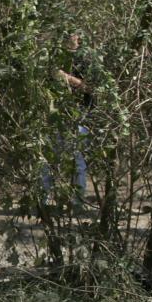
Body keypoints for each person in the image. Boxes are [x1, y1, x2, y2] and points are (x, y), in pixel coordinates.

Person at [44, 31, 94, 197]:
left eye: (71, 34)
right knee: (47, 158)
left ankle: (77, 202)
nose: (67, 36)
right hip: (57, 114)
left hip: (80, 114)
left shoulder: (86, 58)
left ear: (78, 37)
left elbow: (90, 88)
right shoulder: (54, 57)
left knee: (78, 160)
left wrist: (66, 77)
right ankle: (43, 203)